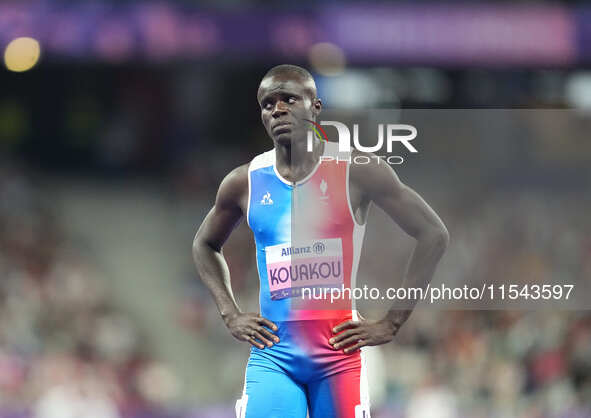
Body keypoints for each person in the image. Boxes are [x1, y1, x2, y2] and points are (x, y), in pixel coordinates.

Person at [192, 64, 449, 418]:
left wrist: (392, 321)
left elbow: (433, 234)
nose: (278, 109)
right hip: (274, 356)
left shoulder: (357, 171)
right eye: (268, 104)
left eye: (289, 99)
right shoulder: (245, 182)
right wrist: (229, 313)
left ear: (315, 106)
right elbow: (204, 245)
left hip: (337, 358)